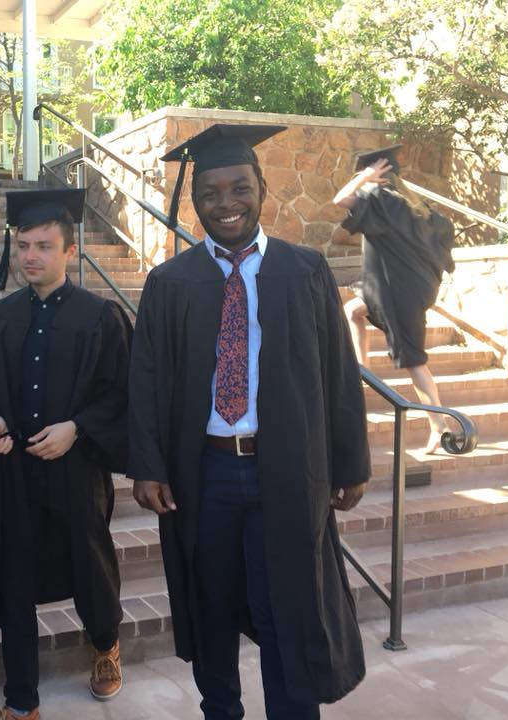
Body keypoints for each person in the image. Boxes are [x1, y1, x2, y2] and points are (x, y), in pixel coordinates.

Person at [128, 124, 370, 720]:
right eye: (210, 193)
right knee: (210, 608)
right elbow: (146, 380)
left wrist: (350, 462)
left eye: (239, 187)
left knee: (288, 608)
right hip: (203, 474)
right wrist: (148, 465)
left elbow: (339, 373)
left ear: (262, 187)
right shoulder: (169, 282)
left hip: (287, 470)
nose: (226, 203)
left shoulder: (305, 270)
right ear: (195, 201)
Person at [0, 189, 132, 720]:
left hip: (76, 471)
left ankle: (105, 645)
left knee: (90, 565)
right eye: (23, 246)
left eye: (43, 246)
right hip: (13, 472)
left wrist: (77, 429)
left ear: (69, 250)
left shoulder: (100, 316)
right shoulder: (2, 317)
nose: (30, 256)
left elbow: (121, 394)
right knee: (14, 576)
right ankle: (22, 703)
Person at [334, 145, 456, 453]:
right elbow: (444, 233)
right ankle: (363, 373)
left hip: (397, 297)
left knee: (414, 362)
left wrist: (364, 176)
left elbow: (340, 199)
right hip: (406, 292)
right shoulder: (415, 206)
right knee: (353, 310)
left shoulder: (379, 200)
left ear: (379, 176)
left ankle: (439, 426)